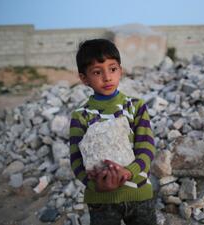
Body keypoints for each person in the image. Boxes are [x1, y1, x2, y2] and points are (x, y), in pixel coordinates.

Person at [69, 39, 157, 225]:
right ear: (84, 78)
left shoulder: (136, 107)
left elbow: (147, 149)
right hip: (101, 200)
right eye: (97, 72)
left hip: (138, 193)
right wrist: (95, 184)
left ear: (121, 70)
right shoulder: (81, 116)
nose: (107, 77)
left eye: (112, 69)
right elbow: (76, 160)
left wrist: (127, 172)